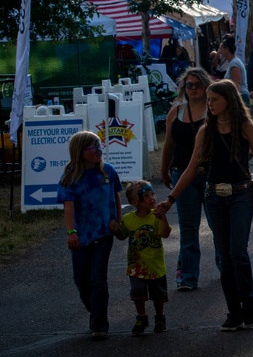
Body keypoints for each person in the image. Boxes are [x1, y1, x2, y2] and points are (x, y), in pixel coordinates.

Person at [156, 79, 253, 332]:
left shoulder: (246, 127)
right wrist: (170, 200)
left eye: (214, 100)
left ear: (229, 100)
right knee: (224, 256)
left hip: (241, 195)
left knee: (237, 253)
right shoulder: (206, 130)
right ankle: (234, 311)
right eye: (208, 100)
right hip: (215, 196)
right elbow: (191, 169)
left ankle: (249, 301)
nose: (209, 104)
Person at [59, 131, 123, 340]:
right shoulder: (70, 177)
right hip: (81, 235)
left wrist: (118, 223)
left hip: (103, 233)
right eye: (92, 147)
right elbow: (68, 208)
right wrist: (71, 232)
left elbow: (116, 198)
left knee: (98, 279)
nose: (98, 150)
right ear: (80, 152)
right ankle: (94, 308)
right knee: (81, 280)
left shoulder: (108, 172)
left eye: (99, 146)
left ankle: (99, 324)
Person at [160, 67, 213, 291]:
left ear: (205, 86)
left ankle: (227, 268)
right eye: (188, 85)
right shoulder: (176, 112)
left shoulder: (214, 110)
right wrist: (164, 169)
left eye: (197, 85)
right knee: (188, 227)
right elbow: (169, 144)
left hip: (212, 173)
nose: (192, 89)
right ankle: (187, 277)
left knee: (218, 225)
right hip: (182, 173)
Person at [112, 181, 171, 336]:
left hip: (155, 265)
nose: (152, 198)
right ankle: (141, 317)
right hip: (136, 266)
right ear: (134, 202)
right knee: (137, 292)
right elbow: (122, 235)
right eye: (146, 196)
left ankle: (160, 317)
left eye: (152, 194)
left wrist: (163, 217)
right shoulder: (129, 219)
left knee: (158, 295)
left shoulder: (156, 216)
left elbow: (165, 233)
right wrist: (115, 229)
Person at [219, 37, 250, 106]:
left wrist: (236, 101)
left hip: (241, 96)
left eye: (221, 48)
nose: (219, 51)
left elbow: (237, 83)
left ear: (226, 49)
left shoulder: (234, 63)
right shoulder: (233, 62)